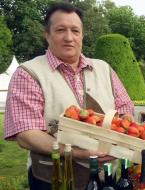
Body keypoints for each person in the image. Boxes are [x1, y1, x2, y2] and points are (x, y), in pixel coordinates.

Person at [4, 2, 134, 190]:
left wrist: (127, 123)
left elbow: (125, 109)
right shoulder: (29, 73)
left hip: (106, 177)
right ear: (46, 35)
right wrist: (77, 153)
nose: (69, 38)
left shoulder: (103, 68)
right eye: (60, 30)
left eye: (75, 30)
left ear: (82, 35)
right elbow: (26, 134)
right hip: (52, 179)